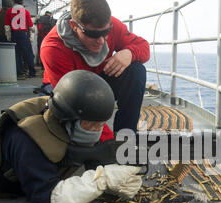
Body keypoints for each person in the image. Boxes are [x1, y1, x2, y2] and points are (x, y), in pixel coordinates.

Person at [0, 70, 142, 203]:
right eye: (90, 125)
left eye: (101, 124)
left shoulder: (68, 120)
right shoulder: (28, 138)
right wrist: (104, 179)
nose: (97, 131)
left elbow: (93, 153)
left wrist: (116, 179)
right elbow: (50, 200)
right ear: (67, 118)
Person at [40, 0, 150, 133]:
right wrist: (107, 145)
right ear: (74, 26)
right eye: (93, 34)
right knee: (68, 122)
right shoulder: (53, 48)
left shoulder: (111, 24)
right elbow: (73, 103)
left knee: (136, 71)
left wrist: (130, 53)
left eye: (106, 32)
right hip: (67, 89)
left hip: (98, 81)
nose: (101, 40)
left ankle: (125, 135)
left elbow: (144, 46)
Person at [4, 0, 36, 78]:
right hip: (23, 34)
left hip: (14, 34)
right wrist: (32, 35)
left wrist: (8, 37)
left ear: (13, 1)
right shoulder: (25, 11)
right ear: (22, 2)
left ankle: (19, 72)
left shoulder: (9, 11)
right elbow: (31, 27)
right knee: (28, 54)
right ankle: (32, 72)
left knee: (17, 55)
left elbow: (7, 26)